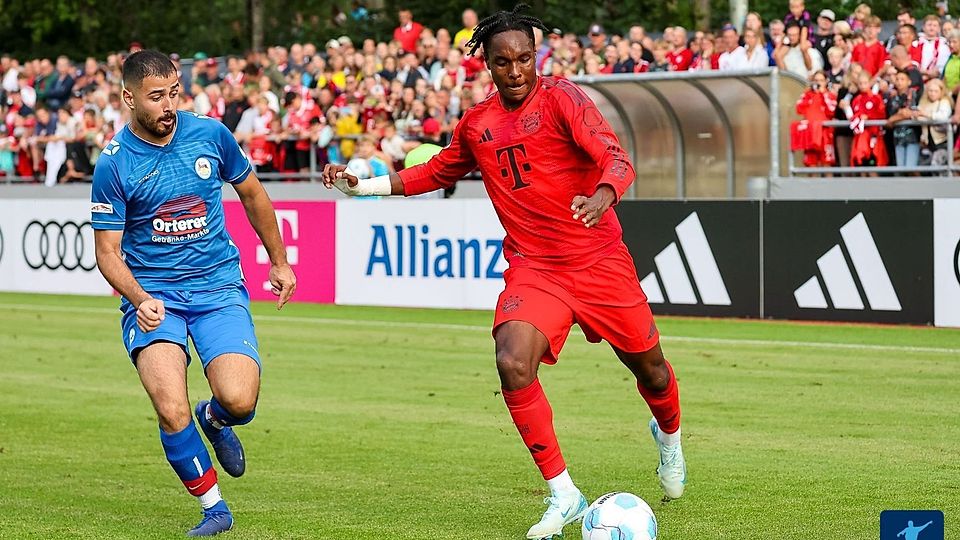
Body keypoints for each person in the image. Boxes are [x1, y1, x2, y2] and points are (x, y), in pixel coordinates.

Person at [322, 6, 686, 539]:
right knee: (513, 362)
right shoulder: (478, 123)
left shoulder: (562, 98)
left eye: (524, 58)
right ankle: (564, 493)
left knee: (651, 371)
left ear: (535, 56)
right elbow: (435, 171)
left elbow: (616, 158)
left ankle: (670, 437)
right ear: (486, 64)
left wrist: (604, 194)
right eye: (503, 62)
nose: (516, 70)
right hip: (536, 267)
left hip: (598, 260)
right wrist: (365, 186)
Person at [90, 50, 296, 537]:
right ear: (128, 98)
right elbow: (107, 252)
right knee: (169, 405)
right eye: (156, 96)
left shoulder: (210, 135)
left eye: (173, 93)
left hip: (218, 287)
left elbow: (253, 194)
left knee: (240, 401)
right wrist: (139, 298)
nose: (168, 105)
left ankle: (216, 418)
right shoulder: (113, 164)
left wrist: (280, 260)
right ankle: (214, 508)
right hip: (155, 298)